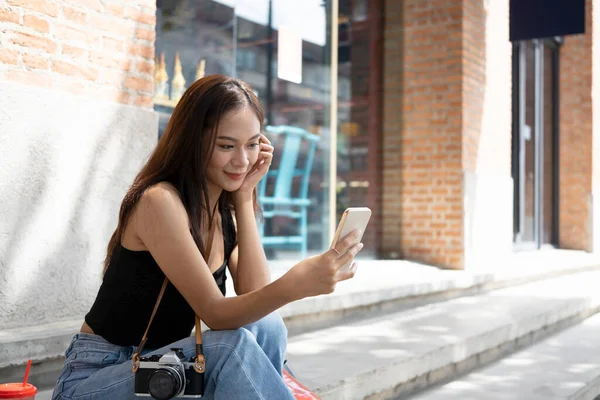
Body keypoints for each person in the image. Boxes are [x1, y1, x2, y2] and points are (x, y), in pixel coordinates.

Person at [51, 75, 363, 400]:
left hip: (163, 371)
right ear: (193, 143)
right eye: (226, 146)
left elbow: (254, 295)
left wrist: (244, 198)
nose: (242, 161)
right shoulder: (160, 202)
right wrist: (294, 285)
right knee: (230, 348)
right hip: (103, 378)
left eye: (253, 144)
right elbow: (215, 312)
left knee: (266, 326)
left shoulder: (222, 211)